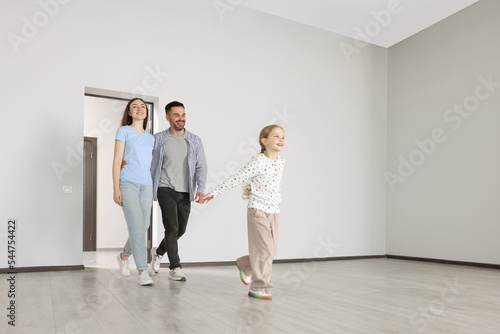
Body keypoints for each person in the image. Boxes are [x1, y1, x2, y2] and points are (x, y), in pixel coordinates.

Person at [200, 125, 286, 300]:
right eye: (276, 136)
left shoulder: (281, 161)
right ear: (264, 141)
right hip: (258, 210)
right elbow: (236, 178)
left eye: (283, 137)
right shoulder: (258, 161)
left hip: (274, 211)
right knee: (265, 250)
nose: (281, 140)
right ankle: (260, 287)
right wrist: (214, 193)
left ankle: (245, 264)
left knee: (271, 250)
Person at [149, 101, 207, 281]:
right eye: (176, 115)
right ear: (167, 117)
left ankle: (158, 253)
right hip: (164, 187)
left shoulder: (195, 140)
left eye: (183, 115)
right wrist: (126, 162)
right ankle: (175, 267)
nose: (181, 118)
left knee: (180, 230)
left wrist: (201, 188)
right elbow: (144, 158)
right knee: (171, 228)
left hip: (186, 191)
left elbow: (201, 166)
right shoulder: (158, 139)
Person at [112, 98, 155, 286]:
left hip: (146, 185)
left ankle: (123, 256)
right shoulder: (124, 131)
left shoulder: (151, 138)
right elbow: (116, 160)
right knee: (137, 227)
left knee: (142, 226)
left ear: (146, 112)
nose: (139, 109)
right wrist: (115, 187)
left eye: (143, 106)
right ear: (129, 112)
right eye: (134, 107)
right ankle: (142, 270)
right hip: (128, 182)